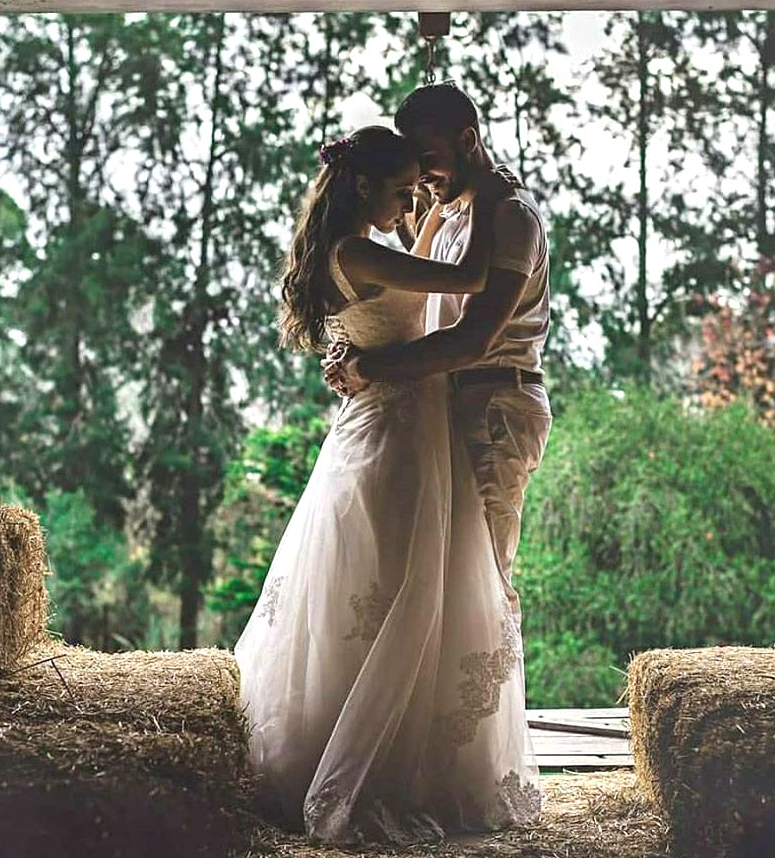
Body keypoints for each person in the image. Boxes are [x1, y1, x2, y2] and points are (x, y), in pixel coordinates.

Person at [233, 124, 542, 846]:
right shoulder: (360, 252)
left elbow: (419, 264)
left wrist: (441, 211)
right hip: (398, 431)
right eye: (402, 191)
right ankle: (382, 764)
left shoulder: (356, 247)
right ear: (363, 185)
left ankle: (402, 748)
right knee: (402, 582)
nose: (412, 203)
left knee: (400, 580)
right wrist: (485, 196)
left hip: (396, 421)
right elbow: (468, 280)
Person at [323, 83, 553, 630]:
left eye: (428, 157)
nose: (421, 175)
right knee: (438, 580)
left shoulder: (510, 217)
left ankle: (492, 689)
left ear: (467, 140)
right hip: (446, 406)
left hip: (494, 405)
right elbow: (409, 298)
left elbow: (472, 339)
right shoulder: (451, 217)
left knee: (485, 580)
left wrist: (369, 369)